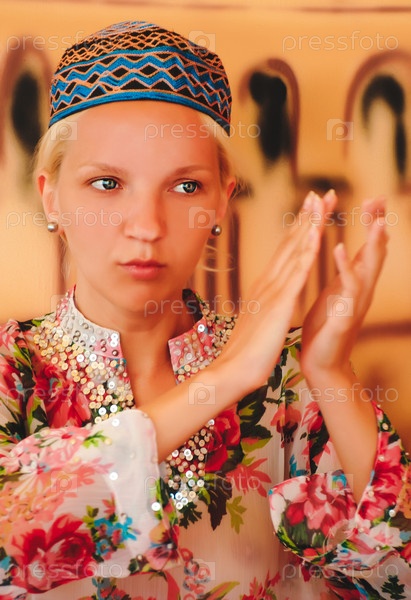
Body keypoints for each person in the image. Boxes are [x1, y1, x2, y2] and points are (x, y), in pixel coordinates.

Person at [0, 20, 409, 600]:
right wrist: (219, 383)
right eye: (107, 183)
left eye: (185, 187)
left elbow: (395, 580)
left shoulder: (288, 378)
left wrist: (330, 372)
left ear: (221, 199)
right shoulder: (11, 371)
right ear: (51, 197)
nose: (146, 226)